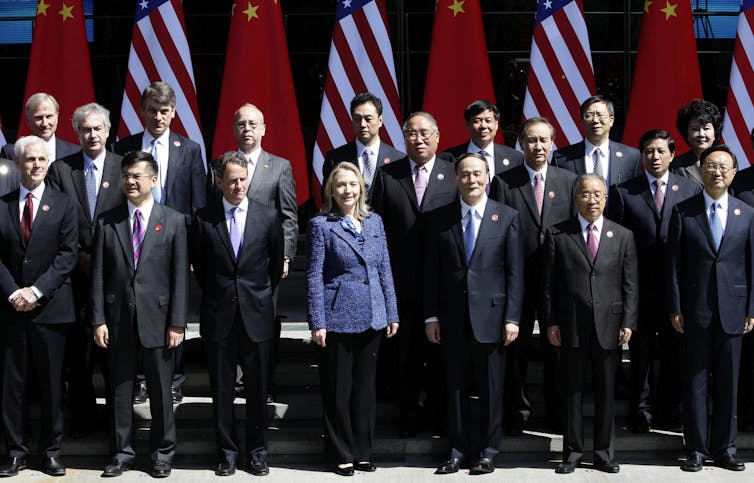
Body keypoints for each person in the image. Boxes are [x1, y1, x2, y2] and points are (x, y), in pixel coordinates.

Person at [90, 150, 189, 478]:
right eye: (126, 175)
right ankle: (121, 453)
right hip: (118, 319)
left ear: (153, 179)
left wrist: (177, 322)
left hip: (159, 322)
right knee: (119, 389)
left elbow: (179, 277)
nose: (130, 181)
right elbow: (98, 275)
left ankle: (162, 453)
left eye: (137, 176)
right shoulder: (107, 220)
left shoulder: (173, 220)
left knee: (161, 391)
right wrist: (98, 319)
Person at [424, 153, 524, 475]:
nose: (471, 180)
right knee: (455, 387)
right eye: (465, 174)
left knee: (492, 389)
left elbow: (515, 273)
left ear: (488, 177)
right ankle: (457, 450)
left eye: (477, 174)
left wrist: (513, 317)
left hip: (493, 320)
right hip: (452, 319)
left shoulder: (506, 216)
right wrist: (431, 316)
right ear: (456, 179)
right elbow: (431, 272)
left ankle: (488, 451)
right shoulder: (440, 218)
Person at [112, 82, 205, 404]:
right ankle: (139, 379)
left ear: (174, 113)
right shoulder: (123, 147)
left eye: (164, 111)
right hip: (135, 242)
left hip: (172, 243)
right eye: (152, 110)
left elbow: (197, 205)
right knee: (137, 310)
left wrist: (191, 250)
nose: (158, 117)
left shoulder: (190, 149)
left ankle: (174, 379)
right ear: (142, 111)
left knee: (172, 312)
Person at [192, 152, 283, 477]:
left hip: (256, 317)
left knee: (257, 391)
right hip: (219, 317)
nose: (238, 185)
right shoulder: (203, 218)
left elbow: (273, 267)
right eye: (231, 180)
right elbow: (201, 268)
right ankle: (227, 453)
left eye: (243, 179)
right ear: (219, 182)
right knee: (222, 390)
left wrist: (252, 296)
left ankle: (257, 452)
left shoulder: (268, 216)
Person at [306, 162, 398, 476]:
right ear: (331, 190)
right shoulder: (321, 225)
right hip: (336, 317)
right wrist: (317, 320)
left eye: (353, 184)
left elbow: (384, 268)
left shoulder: (375, 222)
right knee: (337, 389)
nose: (347, 190)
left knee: (365, 390)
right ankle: (340, 452)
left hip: (373, 315)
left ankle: (362, 452)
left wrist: (391, 311)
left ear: (361, 188)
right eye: (340, 184)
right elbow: (314, 276)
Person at [542, 173, 638, 474]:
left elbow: (630, 284)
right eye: (585, 194)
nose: (592, 199)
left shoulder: (622, 235)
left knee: (606, 392)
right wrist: (550, 322)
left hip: (609, 325)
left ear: (606, 198)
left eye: (598, 194)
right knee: (573, 391)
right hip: (570, 326)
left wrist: (629, 321)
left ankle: (603, 453)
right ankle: (572, 451)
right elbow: (548, 286)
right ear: (575, 198)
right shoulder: (558, 234)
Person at [667, 145, 754, 473]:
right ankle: (696, 449)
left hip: (734, 310)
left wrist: (751, 308)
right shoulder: (683, 211)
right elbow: (673, 265)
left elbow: (751, 264)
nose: (718, 172)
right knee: (695, 382)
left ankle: (725, 448)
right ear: (701, 171)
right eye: (711, 166)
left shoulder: (746, 213)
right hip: (695, 309)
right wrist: (675, 306)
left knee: (730, 383)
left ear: (733, 173)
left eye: (724, 167)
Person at [371, 111, 458, 435]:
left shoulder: (453, 173)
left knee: (439, 356)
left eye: (424, 133)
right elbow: (376, 228)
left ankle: (438, 417)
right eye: (411, 133)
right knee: (404, 355)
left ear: (437, 136)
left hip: (444, 282)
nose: (418, 139)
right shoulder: (387, 175)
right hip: (401, 283)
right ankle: (408, 417)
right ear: (403, 137)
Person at [609, 130, 701, 434]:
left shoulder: (689, 189)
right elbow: (617, 244)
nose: (655, 156)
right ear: (642, 156)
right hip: (640, 288)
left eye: (661, 151)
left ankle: (668, 411)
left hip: (678, 288)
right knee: (640, 355)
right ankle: (641, 412)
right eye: (649, 151)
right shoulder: (624, 191)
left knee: (675, 353)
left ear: (673, 155)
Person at [489, 117, 576, 434]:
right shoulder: (504, 182)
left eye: (544, 140)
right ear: (521, 144)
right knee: (516, 350)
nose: (538, 146)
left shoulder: (568, 180)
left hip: (557, 281)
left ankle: (556, 413)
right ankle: (517, 412)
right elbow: (495, 231)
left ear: (553, 143)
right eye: (531, 140)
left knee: (558, 348)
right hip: (518, 280)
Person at [0, 136, 78, 477]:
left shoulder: (63, 204)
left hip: (50, 309)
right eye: (29, 160)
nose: (36, 165)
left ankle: (50, 451)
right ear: (18, 164)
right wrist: (12, 292)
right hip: (9, 310)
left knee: (50, 384)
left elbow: (68, 254)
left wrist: (36, 291)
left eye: (41, 160)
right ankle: (15, 451)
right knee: (11, 385)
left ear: (49, 162)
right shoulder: (1, 204)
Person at [46, 102, 125, 437]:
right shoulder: (61, 169)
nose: (92, 135)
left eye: (98, 129)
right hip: (74, 276)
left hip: (115, 276)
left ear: (108, 132)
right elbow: (53, 223)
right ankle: (82, 421)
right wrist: (79, 256)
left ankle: (116, 425)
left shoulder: (124, 167)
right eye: (85, 129)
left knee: (114, 353)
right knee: (78, 354)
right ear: (76, 133)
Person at [223, 103, 298, 401]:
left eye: (253, 124)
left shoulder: (279, 166)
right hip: (230, 263)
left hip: (266, 262)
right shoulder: (221, 165)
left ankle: (264, 382)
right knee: (232, 320)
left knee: (264, 323)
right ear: (234, 129)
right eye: (241, 124)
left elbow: (288, 216)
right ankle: (236, 380)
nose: (247, 129)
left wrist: (286, 255)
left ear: (264, 129)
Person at [321, 92, 405, 200]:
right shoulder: (335, 158)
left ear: (380, 121)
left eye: (368, 119)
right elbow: (327, 198)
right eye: (357, 119)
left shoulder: (397, 159)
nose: (362, 124)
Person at [552, 95, 641, 188]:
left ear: (611, 121)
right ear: (582, 122)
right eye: (589, 115)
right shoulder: (561, 157)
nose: (595, 120)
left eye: (600, 115)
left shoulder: (631, 157)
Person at [443, 99, 523, 178]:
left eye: (488, 121)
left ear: (496, 124)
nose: (483, 126)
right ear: (467, 124)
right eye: (477, 121)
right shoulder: (448, 158)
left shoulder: (515, 158)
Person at [1, 93, 80, 162]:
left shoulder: (75, 152)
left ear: (57, 118)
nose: (45, 124)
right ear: (28, 120)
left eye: (49, 116)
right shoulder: (12, 153)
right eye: (39, 117)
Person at [670, 99, 722, 187]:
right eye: (695, 129)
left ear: (715, 133)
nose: (701, 134)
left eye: (706, 128)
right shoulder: (676, 166)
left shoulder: (727, 161)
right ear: (686, 134)